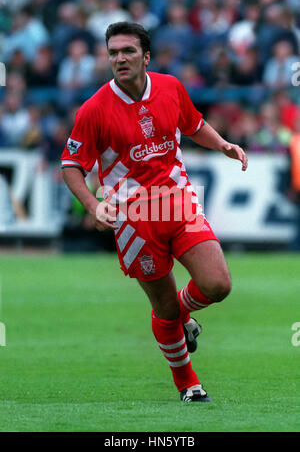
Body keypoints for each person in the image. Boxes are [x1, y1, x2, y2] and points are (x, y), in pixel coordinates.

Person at [61, 22, 248, 403]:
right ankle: (188, 386)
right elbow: (70, 164)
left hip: (178, 201)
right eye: (113, 52)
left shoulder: (171, 87)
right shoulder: (94, 109)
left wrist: (223, 144)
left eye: (127, 51)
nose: (119, 59)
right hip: (132, 218)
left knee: (218, 285)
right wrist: (94, 205)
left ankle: (179, 318)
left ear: (146, 56)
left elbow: (193, 124)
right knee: (161, 305)